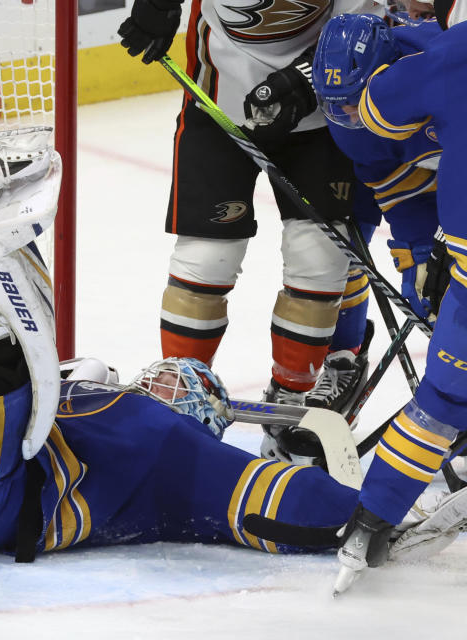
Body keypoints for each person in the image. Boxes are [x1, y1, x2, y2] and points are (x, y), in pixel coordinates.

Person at [0, 91, 467, 569]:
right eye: (174, 376)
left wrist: (379, 521)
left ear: (195, 415)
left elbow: (277, 499)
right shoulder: (111, 402)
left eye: (185, 388)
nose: (165, 381)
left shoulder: (178, 454)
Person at [117, 0, 382, 466]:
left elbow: (370, 20)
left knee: (318, 260)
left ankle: (291, 410)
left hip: (324, 110)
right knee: (204, 258)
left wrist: (306, 76)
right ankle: (184, 398)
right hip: (217, 99)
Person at [310, 6, 467, 590]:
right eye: (336, 107)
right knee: (446, 389)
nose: (348, 117)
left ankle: (378, 510)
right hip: (449, 217)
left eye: (355, 102)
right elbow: (397, 191)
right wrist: (420, 257)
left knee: (446, 393)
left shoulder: (430, 59)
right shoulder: (354, 117)